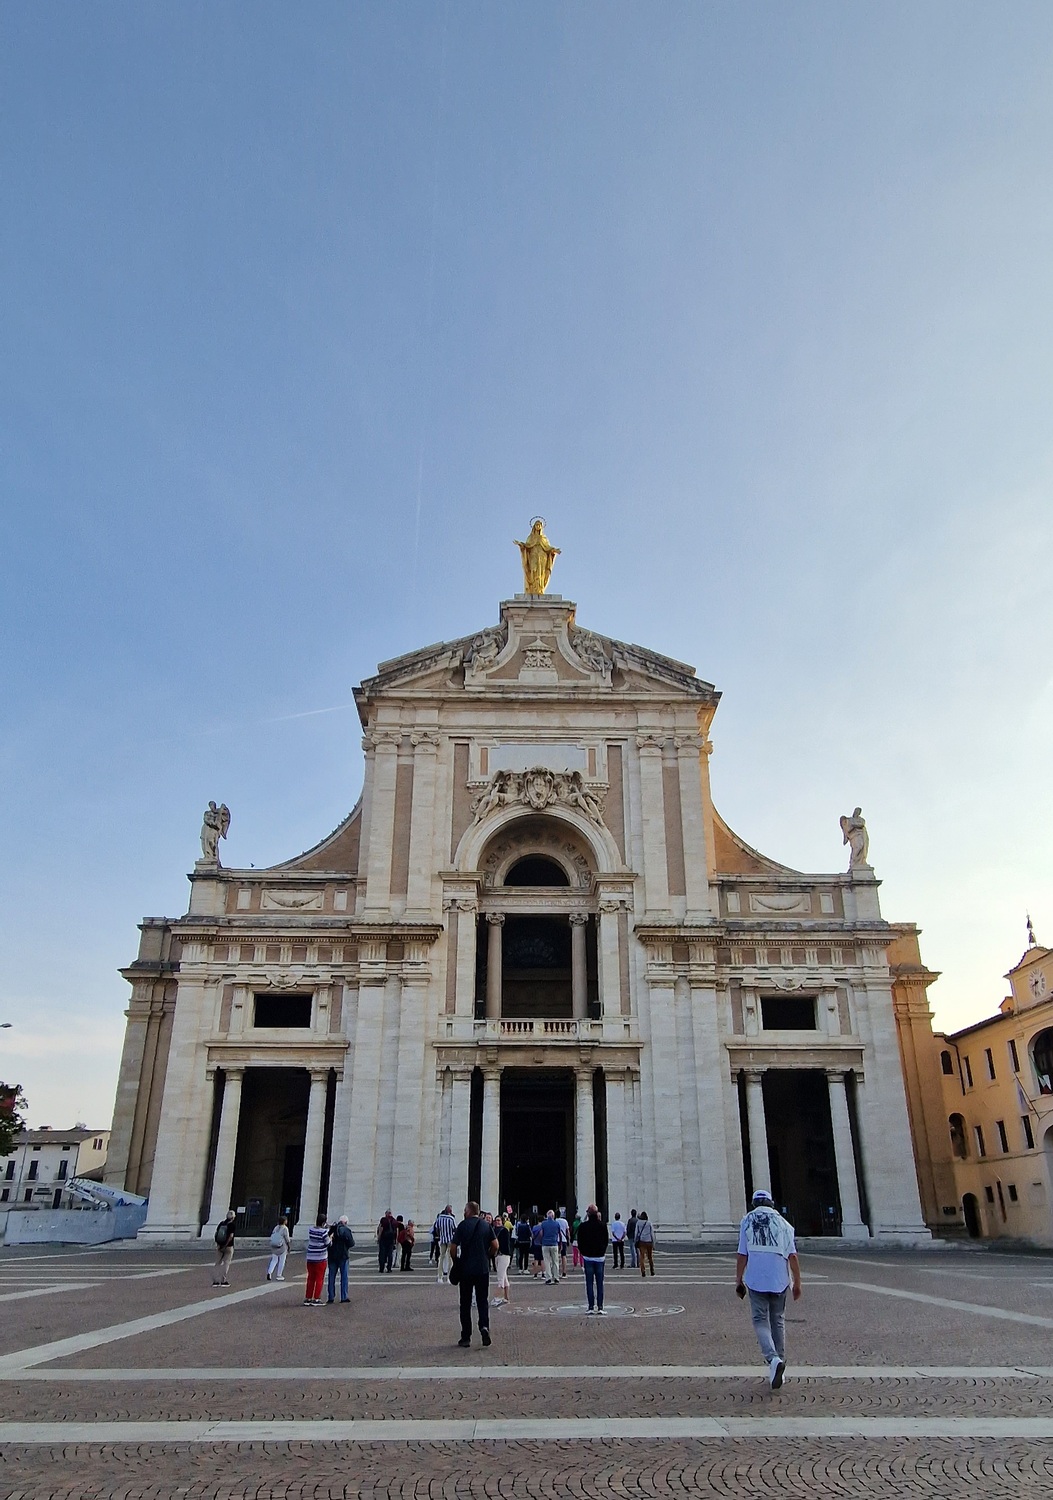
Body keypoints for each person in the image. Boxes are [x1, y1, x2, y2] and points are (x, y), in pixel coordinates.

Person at [736, 1189, 802, 1390]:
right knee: (778, 1320)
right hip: (779, 1279)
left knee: (760, 1320)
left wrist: (738, 1280)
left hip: (756, 1278)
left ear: (754, 1204)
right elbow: (793, 1256)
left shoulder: (747, 1221)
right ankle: (780, 1363)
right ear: (771, 1203)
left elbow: (742, 1254)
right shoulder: (783, 1223)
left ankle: (773, 1359)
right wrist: (797, 1283)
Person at [452, 1201, 499, 1348]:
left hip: (466, 1269)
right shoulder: (486, 1225)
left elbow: (453, 1248)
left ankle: (466, 1337)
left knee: (465, 1304)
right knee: (482, 1301)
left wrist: (456, 1261)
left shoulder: (462, 1225)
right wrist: (487, 1255)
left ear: (468, 1211)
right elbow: (496, 1245)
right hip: (482, 1269)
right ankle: (484, 1327)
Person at [576, 1204, 609, 1314]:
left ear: (588, 1214)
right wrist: (602, 1251)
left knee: (589, 1283)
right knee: (600, 1283)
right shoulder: (602, 1225)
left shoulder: (583, 1226)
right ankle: (600, 1307)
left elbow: (580, 1241)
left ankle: (590, 1306)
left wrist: (584, 1252)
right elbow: (606, 1240)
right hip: (599, 1257)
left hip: (588, 1257)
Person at [327, 1215, 355, 1303]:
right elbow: (351, 1243)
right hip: (343, 1255)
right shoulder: (346, 1230)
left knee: (331, 1277)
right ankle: (344, 1296)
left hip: (332, 1255)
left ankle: (331, 1296)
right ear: (345, 1222)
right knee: (344, 1277)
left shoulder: (332, 1230)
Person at [304, 1213, 329, 1305]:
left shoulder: (311, 1229)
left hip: (310, 1256)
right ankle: (316, 1298)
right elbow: (328, 1243)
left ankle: (308, 1298)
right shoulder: (324, 1232)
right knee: (319, 1278)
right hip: (320, 1257)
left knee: (310, 1278)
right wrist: (330, 1236)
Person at [491, 1214, 512, 1307]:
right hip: (497, 1255)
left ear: (502, 1222)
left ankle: (497, 1297)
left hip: (504, 1255)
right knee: (504, 1277)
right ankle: (506, 1297)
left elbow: (505, 1244)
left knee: (500, 1277)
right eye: (496, 1220)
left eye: (499, 1220)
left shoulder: (504, 1230)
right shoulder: (493, 1230)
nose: (497, 1222)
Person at [434, 1204, 457, 1283]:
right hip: (450, 1239)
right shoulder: (451, 1218)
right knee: (450, 1258)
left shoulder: (439, 1218)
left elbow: (436, 1228)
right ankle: (448, 1277)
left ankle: (440, 1276)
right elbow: (455, 1229)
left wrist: (440, 1235)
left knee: (441, 1257)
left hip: (442, 1239)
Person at [212, 1209, 236, 1285]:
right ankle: (223, 1280)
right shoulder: (232, 1225)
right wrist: (226, 1244)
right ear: (233, 1217)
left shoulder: (221, 1223)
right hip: (228, 1246)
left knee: (217, 1263)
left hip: (220, 1245)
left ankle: (215, 1281)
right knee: (226, 1263)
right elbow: (231, 1236)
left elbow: (216, 1234)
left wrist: (219, 1244)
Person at [540, 1209, 562, 1283]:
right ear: (553, 1216)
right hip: (554, 1244)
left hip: (545, 1244)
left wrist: (541, 1241)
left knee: (547, 1262)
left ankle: (548, 1278)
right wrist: (560, 1243)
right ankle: (556, 1277)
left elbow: (541, 1234)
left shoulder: (543, 1223)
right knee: (555, 1261)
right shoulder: (556, 1223)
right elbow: (560, 1234)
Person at [266, 1216, 290, 1281]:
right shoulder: (285, 1228)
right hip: (282, 1246)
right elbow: (287, 1238)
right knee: (282, 1261)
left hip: (274, 1245)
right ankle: (279, 1275)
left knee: (274, 1260)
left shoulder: (276, 1227)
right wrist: (288, 1246)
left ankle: (269, 1272)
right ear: (284, 1221)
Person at [636, 1211, 655, 1276]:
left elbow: (636, 1232)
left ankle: (643, 1270)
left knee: (642, 1257)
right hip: (649, 1241)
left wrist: (636, 1240)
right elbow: (652, 1233)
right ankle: (652, 1270)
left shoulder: (638, 1223)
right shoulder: (649, 1223)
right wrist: (653, 1242)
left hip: (642, 1241)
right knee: (650, 1257)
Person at [556, 1208, 571, 1277]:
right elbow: (567, 1231)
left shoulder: (555, 1221)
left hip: (556, 1240)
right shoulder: (565, 1221)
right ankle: (564, 1272)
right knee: (564, 1256)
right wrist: (569, 1239)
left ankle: (556, 1271)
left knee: (555, 1257)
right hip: (563, 1240)